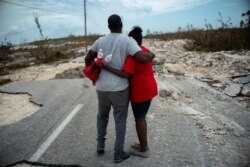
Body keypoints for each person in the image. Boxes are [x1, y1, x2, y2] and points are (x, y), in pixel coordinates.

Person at [84, 14, 155, 163]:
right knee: (120, 120)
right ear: (121, 25)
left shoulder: (100, 41)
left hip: (102, 87)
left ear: (108, 26)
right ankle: (118, 153)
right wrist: (151, 56)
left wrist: (93, 76)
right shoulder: (128, 41)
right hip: (119, 89)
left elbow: (88, 58)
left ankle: (100, 145)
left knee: (102, 116)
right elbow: (142, 57)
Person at [102, 26, 158, 158]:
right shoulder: (145, 51)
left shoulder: (133, 56)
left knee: (139, 119)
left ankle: (144, 149)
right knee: (142, 117)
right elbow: (150, 57)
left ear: (130, 41)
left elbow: (126, 74)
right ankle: (143, 144)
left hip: (140, 91)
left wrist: (107, 67)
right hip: (150, 87)